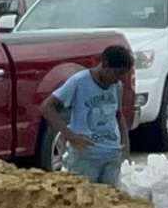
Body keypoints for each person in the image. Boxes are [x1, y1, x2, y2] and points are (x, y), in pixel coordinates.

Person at [44, 43, 136, 187]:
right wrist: (70, 135)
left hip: (112, 154)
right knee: (84, 199)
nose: (118, 79)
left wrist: (125, 145)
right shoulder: (79, 82)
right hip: (85, 157)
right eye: (116, 74)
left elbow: (118, 114)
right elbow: (47, 107)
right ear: (105, 65)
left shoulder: (116, 86)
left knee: (111, 200)